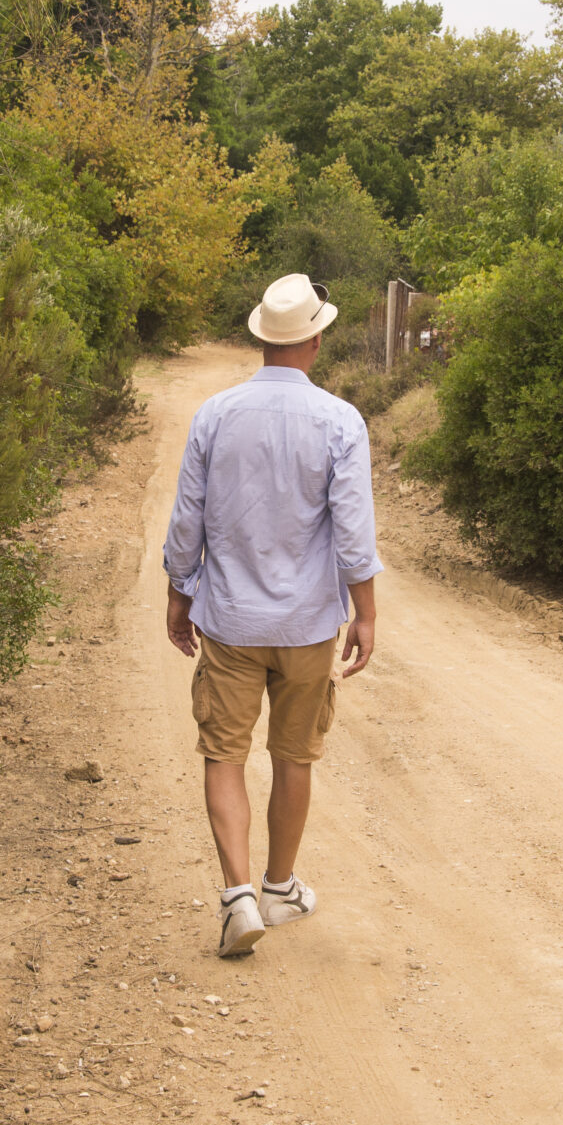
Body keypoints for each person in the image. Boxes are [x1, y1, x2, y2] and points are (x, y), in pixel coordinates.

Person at [163, 274, 382, 958]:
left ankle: (238, 899)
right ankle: (280, 886)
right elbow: (353, 533)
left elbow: (187, 520)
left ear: (262, 337)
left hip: (230, 621)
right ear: (315, 340)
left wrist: (179, 593)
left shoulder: (215, 414)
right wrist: (366, 613)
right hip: (307, 626)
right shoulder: (340, 421)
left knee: (223, 753)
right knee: (293, 756)